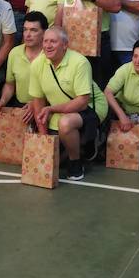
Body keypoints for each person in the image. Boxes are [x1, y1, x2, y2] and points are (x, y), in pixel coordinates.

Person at [28, 26, 109, 181]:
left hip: (90, 107)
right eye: (45, 41)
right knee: (52, 152)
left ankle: (76, 163)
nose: (48, 45)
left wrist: (51, 109)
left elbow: (82, 102)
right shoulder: (37, 64)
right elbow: (38, 100)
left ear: (65, 45)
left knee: (65, 124)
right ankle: (82, 144)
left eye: (53, 41)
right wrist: (44, 138)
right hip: (60, 109)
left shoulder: (80, 62)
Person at [0, 10, 48, 124]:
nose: (27, 34)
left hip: (46, 106)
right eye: (25, 29)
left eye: (33, 30)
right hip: (21, 107)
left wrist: (35, 103)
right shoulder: (14, 53)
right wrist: (2, 102)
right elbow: (10, 84)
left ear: (44, 32)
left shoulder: (50, 55)